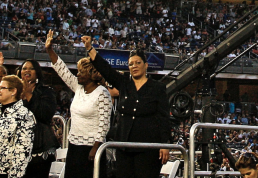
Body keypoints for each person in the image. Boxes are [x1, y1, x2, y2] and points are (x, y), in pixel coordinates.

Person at [82, 36, 171, 178]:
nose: (134, 66)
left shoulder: (158, 88)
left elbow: (164, 117)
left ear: (146, 65)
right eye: (131, 64)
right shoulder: (124, 83)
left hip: (147, 149)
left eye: (137, 63)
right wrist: (89, 48)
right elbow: (106, 69)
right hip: (124, 147)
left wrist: (165, 144)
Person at [45, 30, 111, 178]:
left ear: (92, 74)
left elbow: (104, 125)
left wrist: (96, 148)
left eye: (81, 72)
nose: (78, 74)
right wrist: (49, 50)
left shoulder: (102, 93)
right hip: (74, 146)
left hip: (92, 148)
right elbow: (61, 69)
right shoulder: (78, 87)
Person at [17, 59, 58, 178]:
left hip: (40, 146)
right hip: (18, 146)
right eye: (24, 68)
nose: (27, 71)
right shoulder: (15, 91)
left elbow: (45, 115)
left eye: (31, 68)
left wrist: (29, 94)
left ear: (37, 72)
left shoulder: (47, 91)